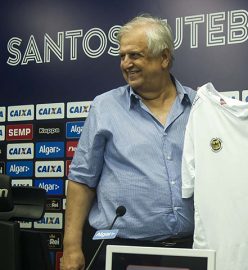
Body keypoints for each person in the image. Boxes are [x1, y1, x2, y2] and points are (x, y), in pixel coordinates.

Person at [61, 14, 196, 270]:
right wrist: (71, 246)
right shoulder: (105, 107)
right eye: (122, 56)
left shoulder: (199, 105)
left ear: (164, 58)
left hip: (189, 250)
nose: (126, 64)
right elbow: (81, 180)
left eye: (134, 55)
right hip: (121, 250)